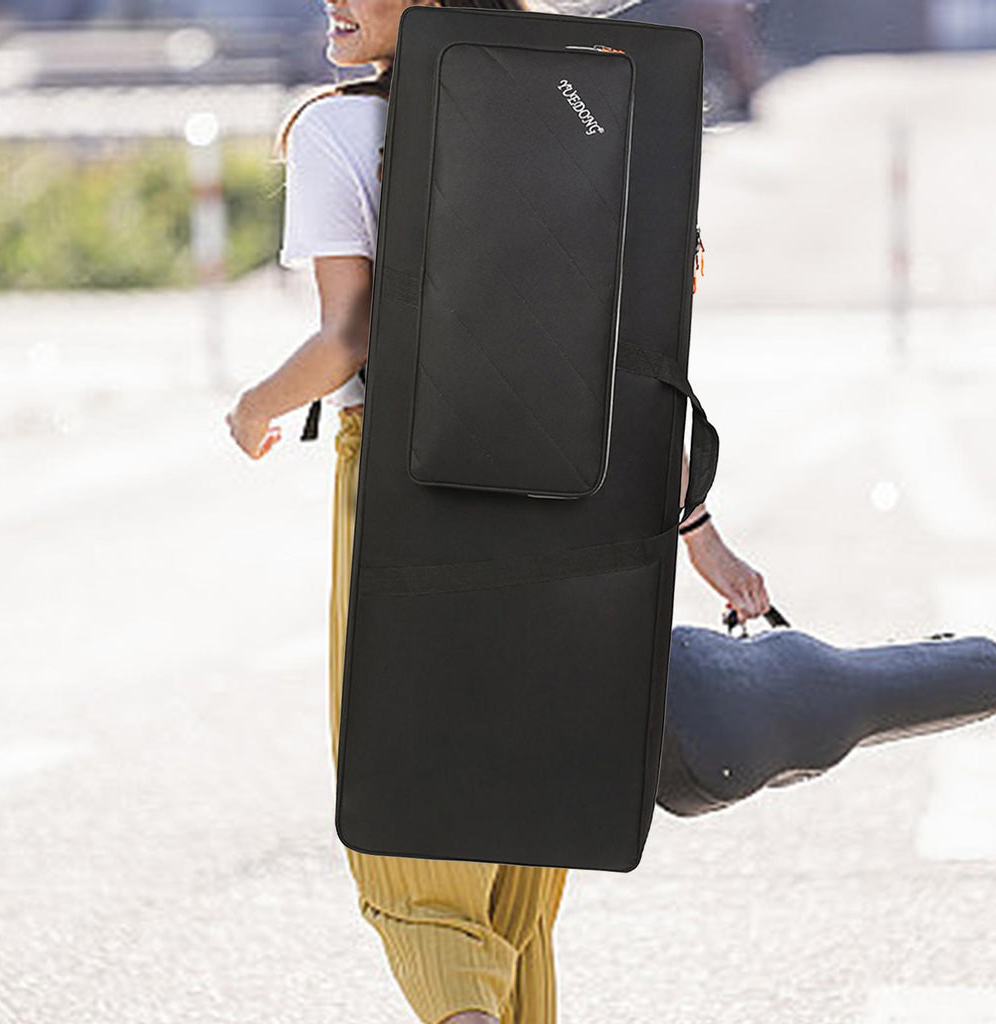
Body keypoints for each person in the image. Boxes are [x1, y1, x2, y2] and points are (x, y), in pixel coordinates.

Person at [224, 0, 771, 1019]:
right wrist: (695, 527)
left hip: (410, 483)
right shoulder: (582, 108)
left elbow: (350, 335)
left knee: (409, 803)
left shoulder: (340, 129)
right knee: (520, 828)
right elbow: (630, 350)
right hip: (568, 493)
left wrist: (256, 405)